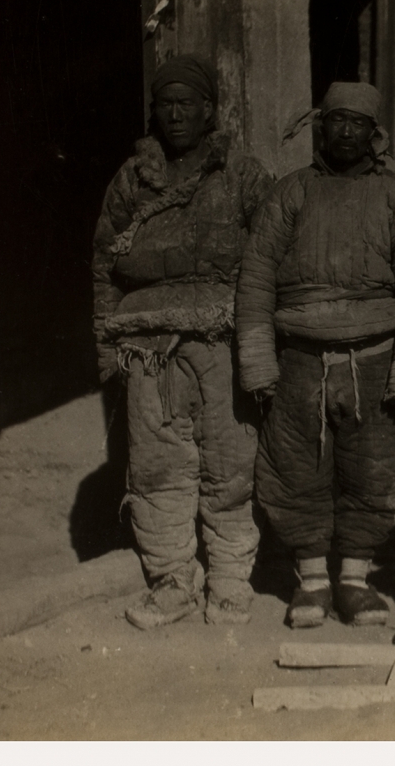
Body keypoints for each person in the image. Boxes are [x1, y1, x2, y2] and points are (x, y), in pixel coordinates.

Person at [236, 82, 395, 628]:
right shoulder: (290, 194)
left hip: (374, 360)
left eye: (358, 124)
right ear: (320, 127)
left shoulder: (393, 198)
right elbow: (255, 282)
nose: (346, 132)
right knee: (296, 470)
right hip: (299, 361)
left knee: (376, 472)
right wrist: (258, 363)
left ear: (375, 135)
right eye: (336, 121)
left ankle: (354, 579)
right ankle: (313, 581)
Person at [92, 54, 273, 629]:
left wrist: (263, 342)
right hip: (148, 348)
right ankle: (171, 581)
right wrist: (103, 345)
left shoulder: (242, 175)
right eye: (164, 105)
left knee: (230, 462)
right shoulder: (132, 178)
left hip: (222, 342)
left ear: (209, 112)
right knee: (158, 467)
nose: (174, 115)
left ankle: (230, 578)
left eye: (186, 105)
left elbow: (270, 256)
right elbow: (102, 263)